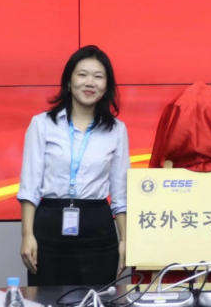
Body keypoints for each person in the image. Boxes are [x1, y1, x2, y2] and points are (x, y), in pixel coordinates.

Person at [17, 45, 130, 286]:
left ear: (106, 86)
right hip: (49, 225)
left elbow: (120, 193)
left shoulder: (116, 130)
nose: (90, 82)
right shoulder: (42, 124)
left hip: (98, 228)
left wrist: (125, 239)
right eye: (82, 74)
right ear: (69, 81)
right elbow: (30, 186)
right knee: (47, 298)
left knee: (98, 299)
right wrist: (27, 234)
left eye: (98, 76)